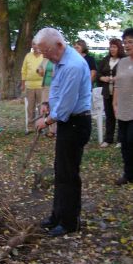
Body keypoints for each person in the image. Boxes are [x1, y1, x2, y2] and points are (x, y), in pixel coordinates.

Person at [35, 28, 92, 237]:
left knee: (69, 174)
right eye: (41, 52)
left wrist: (47, 121)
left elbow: (67, 106)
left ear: (59, 45)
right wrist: (46, 103)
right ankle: (57, 216)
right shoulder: (60, 61)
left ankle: (69, 222)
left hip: (77, 124)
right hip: (69, 123)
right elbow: (57, 89)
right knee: (61, 172)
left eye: (46, 51)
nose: (44, 56)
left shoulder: (74, 65)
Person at [113, 28, 133, 185]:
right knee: (125, 143)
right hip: (123, 108)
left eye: (130, 42)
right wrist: (115, 102)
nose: (127, 45)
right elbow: (118, 84)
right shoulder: (122, 62)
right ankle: (128, 174)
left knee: (131, 140)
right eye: (125, 42)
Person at [97, 38, 125, 148]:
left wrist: (117, 78)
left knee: (120, 116)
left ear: (119, 48)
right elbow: (98, 74)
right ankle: (108, 139)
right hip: (107, 92)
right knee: (109, 116)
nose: (112, 49)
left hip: (121, 93)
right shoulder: (105, 59)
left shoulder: (124, 60)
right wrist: (103, 78)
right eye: (111, 47)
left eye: (114, 47)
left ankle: (121, 140)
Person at [21, 40, 44, 132]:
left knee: (41, 107)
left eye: (37, 44)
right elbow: (24, 70)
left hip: (41, 86)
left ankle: (40, 127)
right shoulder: (28, 56)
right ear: (32, 45)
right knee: (30, 108)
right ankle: (30, 127)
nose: (35, 46)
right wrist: (23, 84)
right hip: (29, 86)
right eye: (33, 44)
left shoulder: (44, 56)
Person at [40, 59, 56, 137]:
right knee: (44, 107)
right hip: (45, 85)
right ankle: (43, 127)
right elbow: (39, 68)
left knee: (52, 107)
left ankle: (52, 130)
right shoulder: (46, 59)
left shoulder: (58, 59)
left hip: (55, 86)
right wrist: (40, 71)